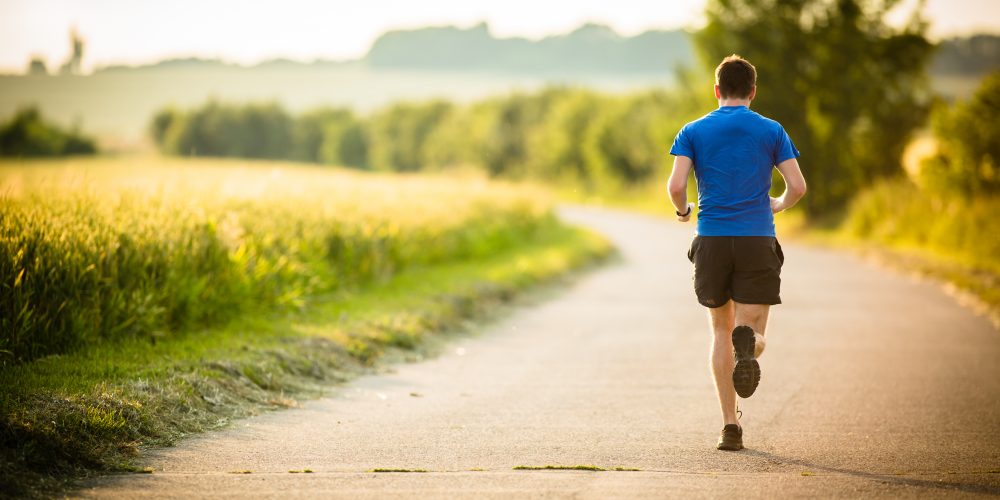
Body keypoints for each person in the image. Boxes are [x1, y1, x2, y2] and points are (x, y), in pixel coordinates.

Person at [667, 54, 807, 451]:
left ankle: (730, 426)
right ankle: (752, 347)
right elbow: (797, 187)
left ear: (716, 91)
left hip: (711, 239)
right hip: (755, 239)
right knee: (752, 332)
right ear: (752, 91)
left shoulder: (693, 130)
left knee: (719, 331)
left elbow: (676, 185)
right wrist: (777, 203)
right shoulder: (771, 130)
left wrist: (683, 212)